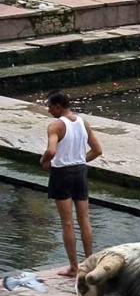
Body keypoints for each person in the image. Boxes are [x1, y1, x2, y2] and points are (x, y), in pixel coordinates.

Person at [41, 91, 101, 277]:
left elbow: (51, 150)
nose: (49, 110)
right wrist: (81, 160)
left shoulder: (56, 126)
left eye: (50, 106)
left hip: (62, 174)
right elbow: (97, 150)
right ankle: (90, 265)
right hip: (80, 172)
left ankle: (74, 267)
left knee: (67, 223)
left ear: (58, 106)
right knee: (84, 220)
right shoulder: (84, 123)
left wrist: (44, 161)